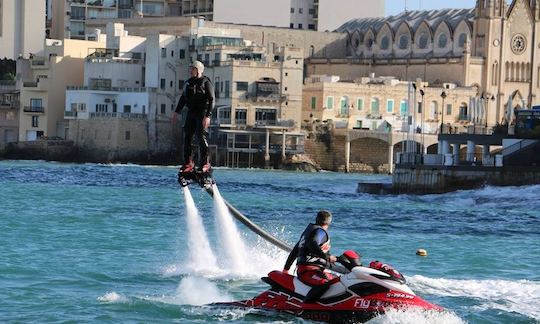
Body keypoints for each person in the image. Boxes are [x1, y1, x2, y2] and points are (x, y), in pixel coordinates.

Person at [283, 210, 338, 302]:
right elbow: (312, 244)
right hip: (308, 271)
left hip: (309, 270)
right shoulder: (320, 232)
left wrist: (286, 269)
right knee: (324, 283)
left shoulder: (309, 232)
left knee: (338, 280)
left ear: (317, 219)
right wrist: (326, 256)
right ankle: (307, 305)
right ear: (329, 222)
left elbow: (294, 251)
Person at [171, 60, 215, 173]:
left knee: (201, 137)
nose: (191, 71)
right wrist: (176, 112)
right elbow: (183, 98)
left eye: (193, 69)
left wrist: (208, 116)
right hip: (191, 112)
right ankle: (188, 163)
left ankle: (205, 163)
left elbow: (211, 100)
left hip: (202, 112)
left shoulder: (206, 82)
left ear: (199, 70)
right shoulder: (188, 83)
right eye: (191, 69)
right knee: (187, 137)